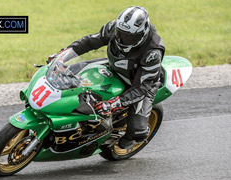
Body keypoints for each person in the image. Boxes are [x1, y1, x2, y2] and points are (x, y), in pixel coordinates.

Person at [49, 6, 165, 149]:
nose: (123, 39)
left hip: (141, 83)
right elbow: (88, 42)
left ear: (142, 34)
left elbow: (142, 88)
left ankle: (128, 136)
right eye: (121, 33)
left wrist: (113, 103)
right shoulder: (113, 28)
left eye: (130, 37)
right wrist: (62, 56)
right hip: (115, 66)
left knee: (137, 132)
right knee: (70, 73)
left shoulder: (152, 52)